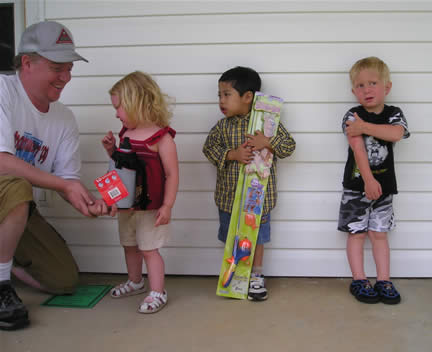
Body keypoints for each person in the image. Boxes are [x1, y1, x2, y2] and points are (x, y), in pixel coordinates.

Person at [0, 21, 112, 331]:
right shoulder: (2, 91)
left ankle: (2, 267)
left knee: (63, 279)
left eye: (69, 68)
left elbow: (66, 180)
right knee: (17, 182)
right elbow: (2, 163)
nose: (66, 77)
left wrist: (86, 201)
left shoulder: (63, 118)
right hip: (9, 192)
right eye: (56, 67)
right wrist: (64, 184)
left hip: (14, 208)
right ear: (27, 62)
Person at [202, 66, 296, 301]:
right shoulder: (222, 127)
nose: (221, 100)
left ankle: (256, 276)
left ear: (247, 97)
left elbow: (289, 147)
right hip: (228, 198)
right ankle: (233, 274)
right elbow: (208, 149)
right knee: (231, 237)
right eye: (219, 95)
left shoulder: (267, 124)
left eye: (227, 94)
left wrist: (268, 142)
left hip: (257, 200)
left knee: (256, 238)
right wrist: (232, 155)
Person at [102, 71, 179, 314]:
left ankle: (157, 291)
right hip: (127, 205)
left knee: (148, 248)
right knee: (129, 245)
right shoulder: (125, 133)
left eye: (119, 108)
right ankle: (135, 281)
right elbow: (122, 166)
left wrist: (167, 206)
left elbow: (172, 174)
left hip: (151, 207)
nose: (116, 114)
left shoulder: (162, 138)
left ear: (137, 104)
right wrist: (112, 150)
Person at [338, 57, 410, 305]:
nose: (366, 89)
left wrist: (365, 127)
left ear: (386, 87)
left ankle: (383, 280)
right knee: (356, 234)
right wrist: (368, 180)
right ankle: (359, 279)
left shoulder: (393, 114)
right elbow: (357, 149)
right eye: (360, 85)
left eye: (372, 83)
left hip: (384, 188)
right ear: (353, 91)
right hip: (357, 186)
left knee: (379, 234)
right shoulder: (352, 115)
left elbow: (397, 134)